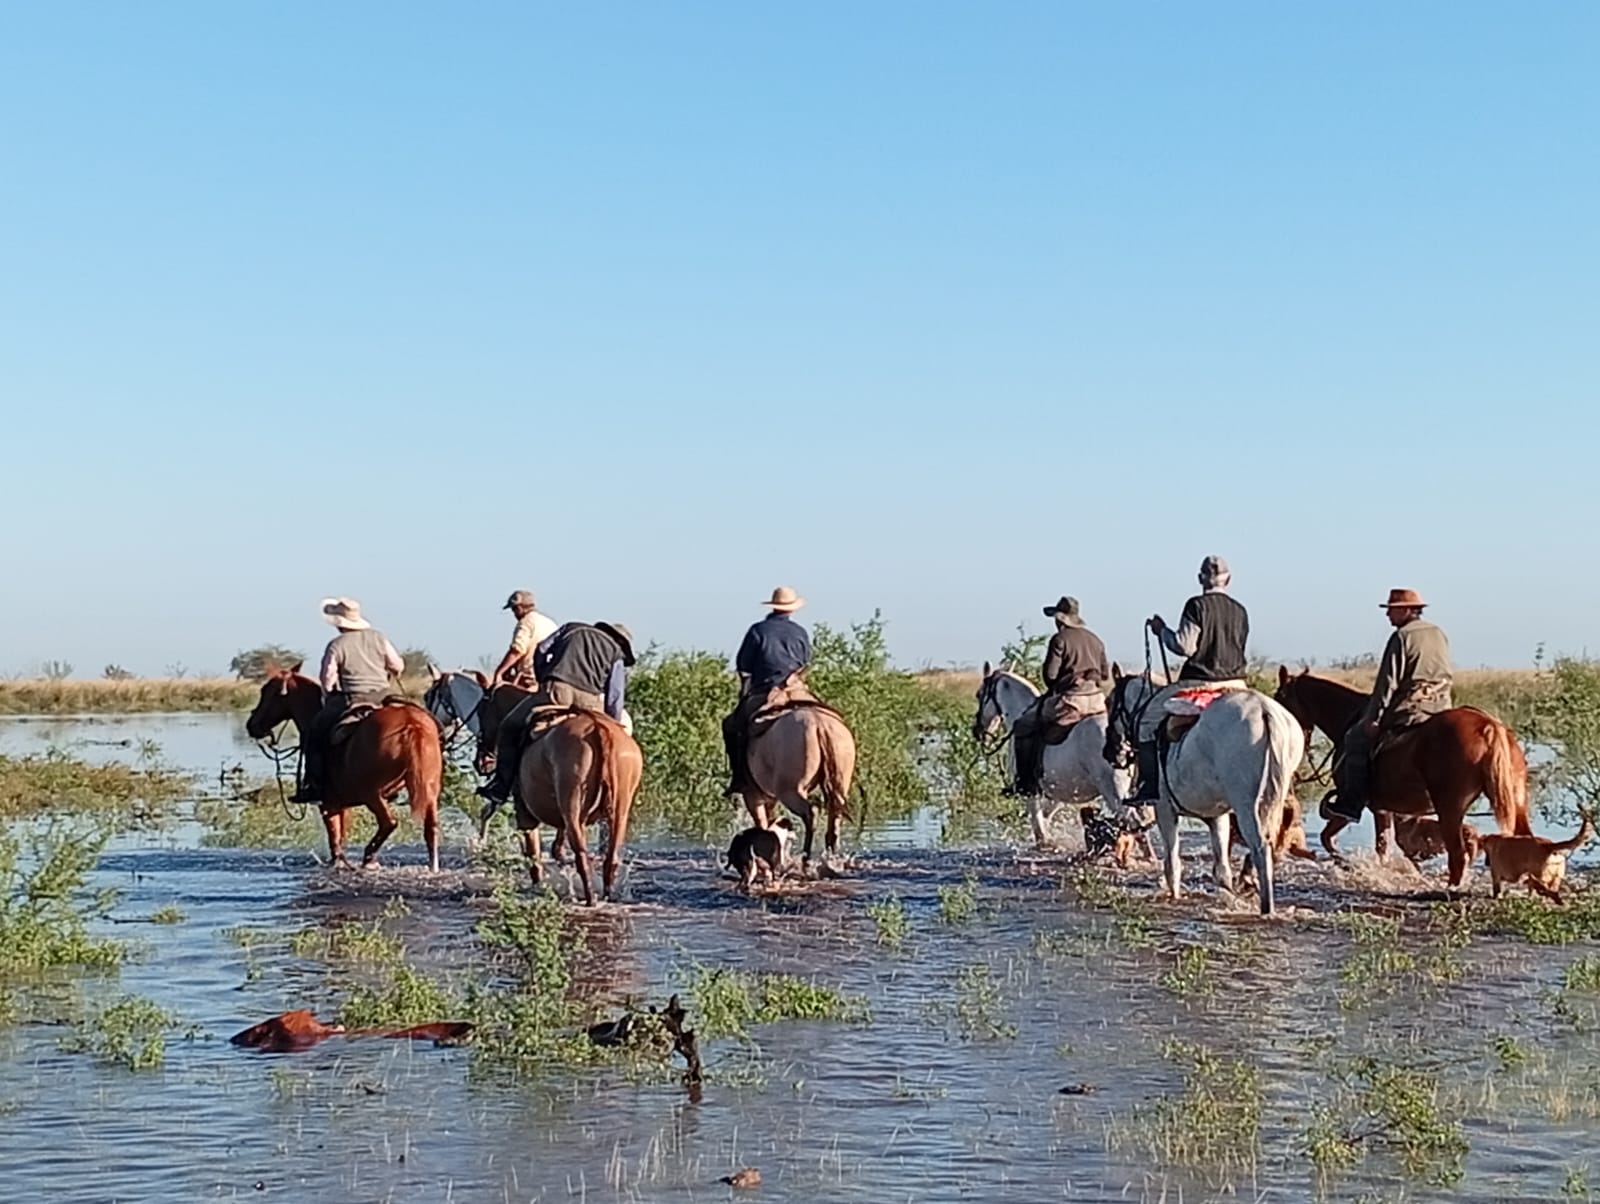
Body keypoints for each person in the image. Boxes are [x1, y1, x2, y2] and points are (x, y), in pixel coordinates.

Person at [1322, 588, 1453, 822]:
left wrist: (1375, 718)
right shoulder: (1438, 633)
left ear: (1406, 610)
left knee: (1354, 739)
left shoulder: (1402, 637)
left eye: (1392, 610)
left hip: (1411, 710)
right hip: (1442, 707)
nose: (1388, 616)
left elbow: (1387, 683)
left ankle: (1351, 803)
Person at [1130, 555, 1250, 804]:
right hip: (1238, 684)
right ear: (1229, 580)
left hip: (1201, 681)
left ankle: (1149, 786)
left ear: (1200, 579)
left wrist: (1162, 631)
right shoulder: (1240, 610)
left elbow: (1185, 647)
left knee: (1145, 721)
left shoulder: (1196, 605)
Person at [477, 620, 636, 806]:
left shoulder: (572, 628)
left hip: (557, 691)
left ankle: (500, 788)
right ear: (622, 643)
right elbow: (615, 695)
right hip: (590, 702)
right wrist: (612, 723)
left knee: (509, 726)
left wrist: (543, 677)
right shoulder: (616, 653)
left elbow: (541, 650)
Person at [292, 597, 406, 804]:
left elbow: (327, 677)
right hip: (383, 695)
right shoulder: (379, 637)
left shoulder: (336, 645)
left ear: (339, 623)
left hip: (353, 698)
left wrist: (328, 695)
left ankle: (314, 785)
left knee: (315, 733)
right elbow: (398, 666)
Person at [1006, 596, 1111, 797]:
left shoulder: (1059, 639)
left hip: (1071, 700)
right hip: (1097, 701)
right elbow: (1104, 675)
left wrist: (1063, 683)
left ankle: (1025, 782)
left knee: (1023, 726)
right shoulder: (1095, 639)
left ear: (1060, 619)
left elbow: (1050, 676)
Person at [723, 586, 814, 798]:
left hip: (765, 690)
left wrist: (744, 691)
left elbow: (744, 667)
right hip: (797, 690)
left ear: (773, 606)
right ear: (792, 609)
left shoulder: (757, 630)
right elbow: (805, 663)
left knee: (731, 726)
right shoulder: (800, 632)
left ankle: (740, 779)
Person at [488, 589, 558, 688]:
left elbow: (517, 651)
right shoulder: (550, 623)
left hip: (530, 677)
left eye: (514, 610)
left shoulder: (525, 623)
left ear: (519, 608)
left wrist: (499, 672)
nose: (514, 614)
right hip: (551, 676)